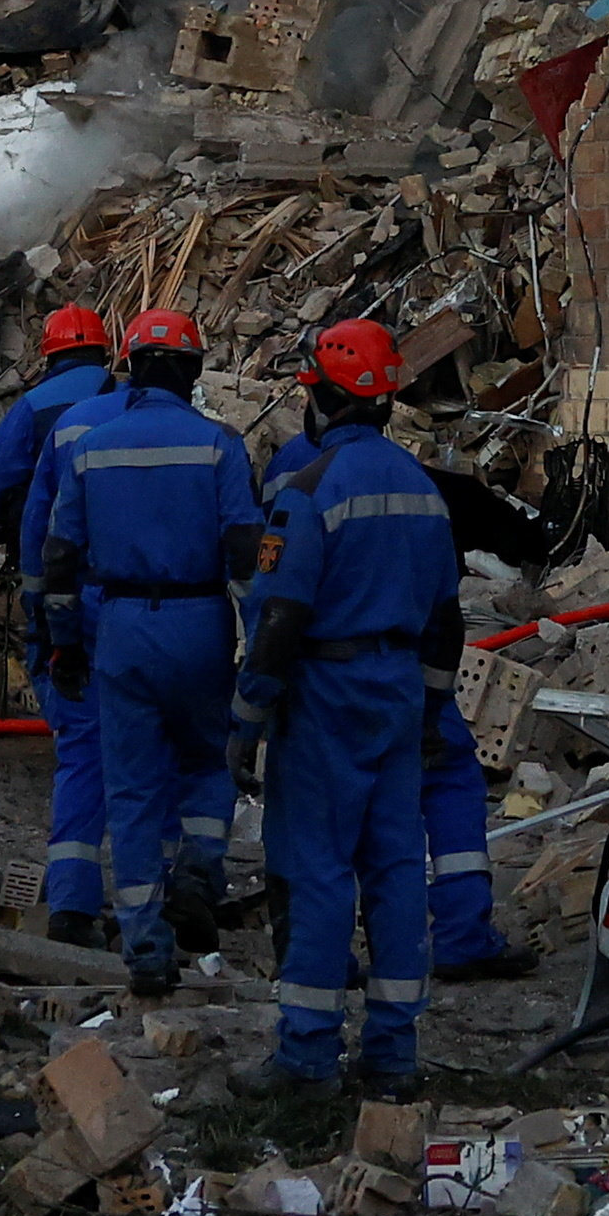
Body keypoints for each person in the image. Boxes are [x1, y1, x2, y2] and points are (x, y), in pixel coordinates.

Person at [233, 318, 462, 1095]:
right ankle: (393, 1053)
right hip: (397, 692)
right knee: (397, 867)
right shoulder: (425, 492)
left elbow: (279, 616)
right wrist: (430, 715)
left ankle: (306, 1054)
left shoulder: (311, 490)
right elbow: (447, 623)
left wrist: (247, 718)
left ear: (325, 399)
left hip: (325, 694)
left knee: (318, 868)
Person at [27, 303, 264, 994]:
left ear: (127, 367)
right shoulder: (219, 445)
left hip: (122, 628)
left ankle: (145, 944)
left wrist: (64, 644)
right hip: (200, 622)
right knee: (206, 760)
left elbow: (60, 556)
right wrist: (257, 643)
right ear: (191, 372)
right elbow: (246, 556)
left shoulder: (91, 448)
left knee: (129, 787)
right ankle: (199, 864)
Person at [255, 371, 522, 981]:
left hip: (311, 673)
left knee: (311, 829)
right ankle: (457, 936)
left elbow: (271, 588)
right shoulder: (408, 476)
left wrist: (255, 701)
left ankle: (310, 959)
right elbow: (442, 609)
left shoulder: (295, 469)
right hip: (399, 670)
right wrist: (431, 705)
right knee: (432, 799)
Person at [0, 302, 125, 938]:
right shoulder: (130, 402)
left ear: (49, 354)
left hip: (61, 592)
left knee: (79, 741)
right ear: (104, 352)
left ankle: (71, 901)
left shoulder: (32, 409)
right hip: (137, 598)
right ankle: (169, 897)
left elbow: (2, 486)